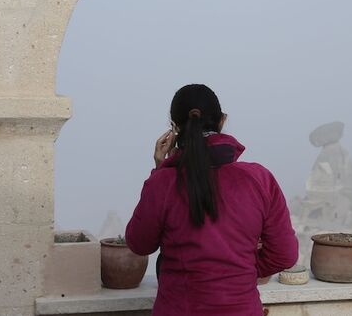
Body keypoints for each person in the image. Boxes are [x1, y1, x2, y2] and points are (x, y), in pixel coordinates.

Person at [126, 84, 298, 316]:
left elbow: (139, 244)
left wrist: (159, 170)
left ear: (174, 128)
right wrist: (239, 270)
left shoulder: (164, 183)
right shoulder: (258, 179)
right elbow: (285, 254)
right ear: (222, 121)